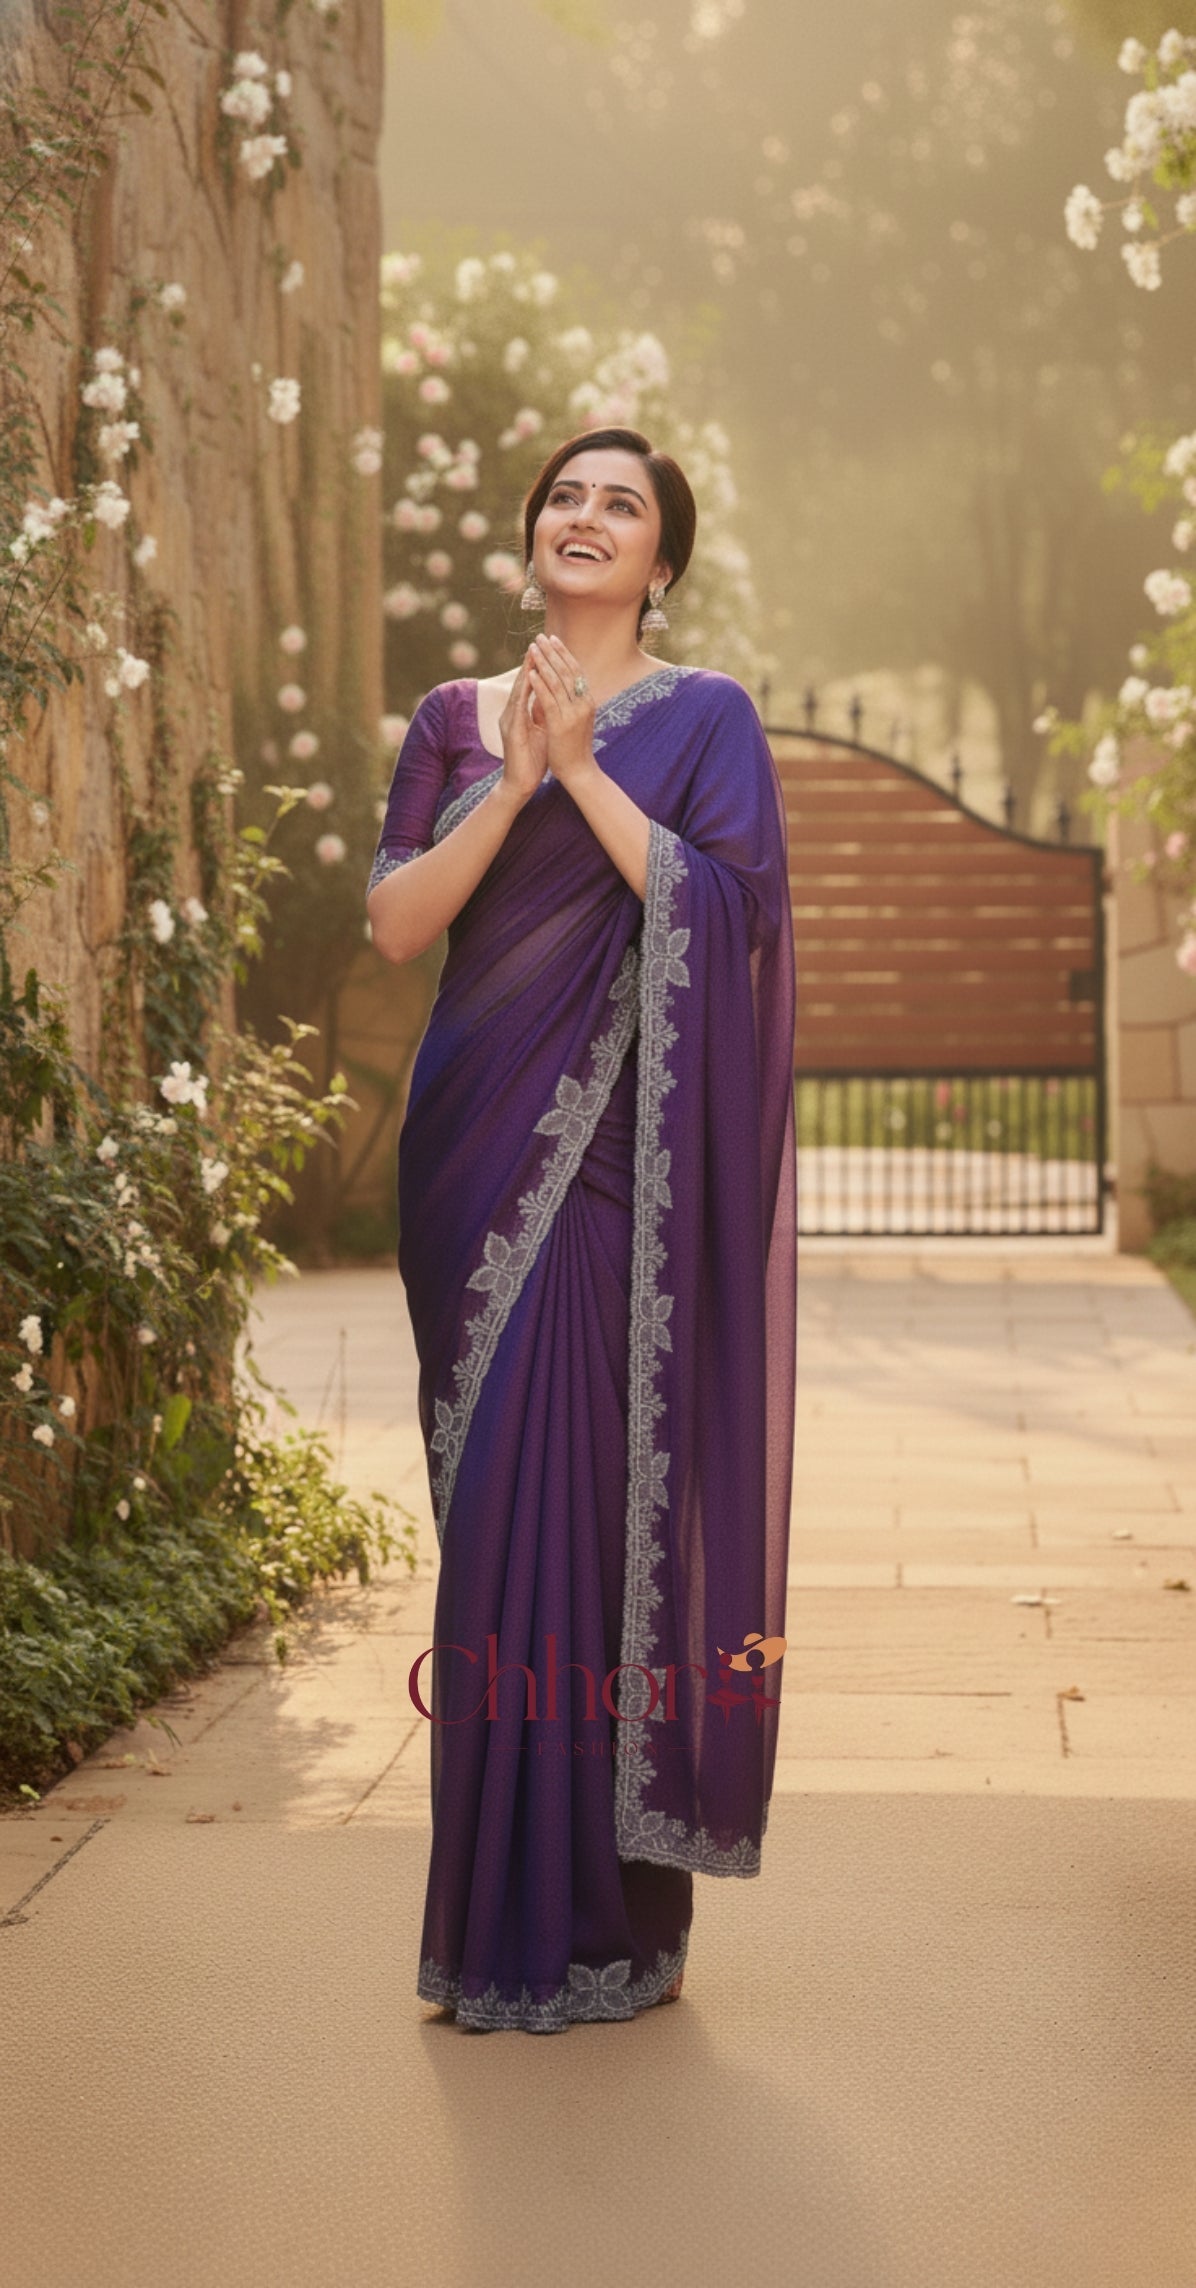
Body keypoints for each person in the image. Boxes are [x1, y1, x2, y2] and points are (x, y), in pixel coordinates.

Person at [366, 425, 797, 2034]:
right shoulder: (453, 721)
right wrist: (521, 778)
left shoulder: (706, 722)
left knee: (598, 1519)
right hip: (474, 1158)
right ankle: (485, 1923)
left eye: (624, 504)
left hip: (615, 1175)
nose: (588, 517)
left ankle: (593, 1922)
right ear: (531, 533)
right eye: (566, 495)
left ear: (662, 562)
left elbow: (729, 919)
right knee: (491, 1524)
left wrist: (593, 772)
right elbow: (404, 917)